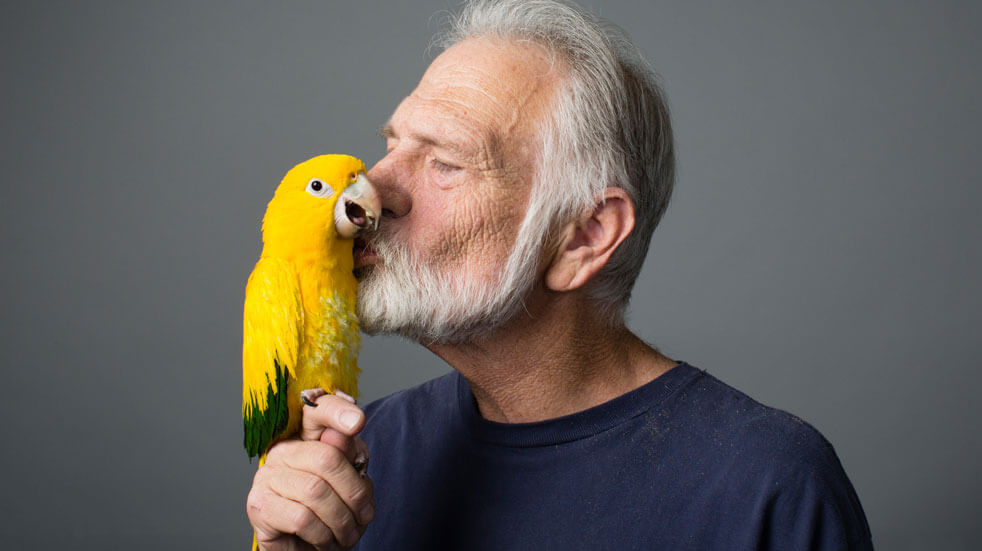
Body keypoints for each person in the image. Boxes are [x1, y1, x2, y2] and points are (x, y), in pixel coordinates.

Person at [246, 1, 873, 549]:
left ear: (583, 237)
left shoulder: (769, 486)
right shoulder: (360, 454)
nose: (376, 189)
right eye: (391, 145)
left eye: (445, 162)